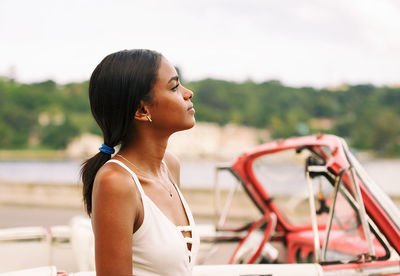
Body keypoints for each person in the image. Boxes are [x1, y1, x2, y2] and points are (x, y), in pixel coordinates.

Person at [80, 49, 199, 276]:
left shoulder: (170, 167)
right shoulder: (116, 182)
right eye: (174, 87)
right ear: (142, 110)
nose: (188, 93)